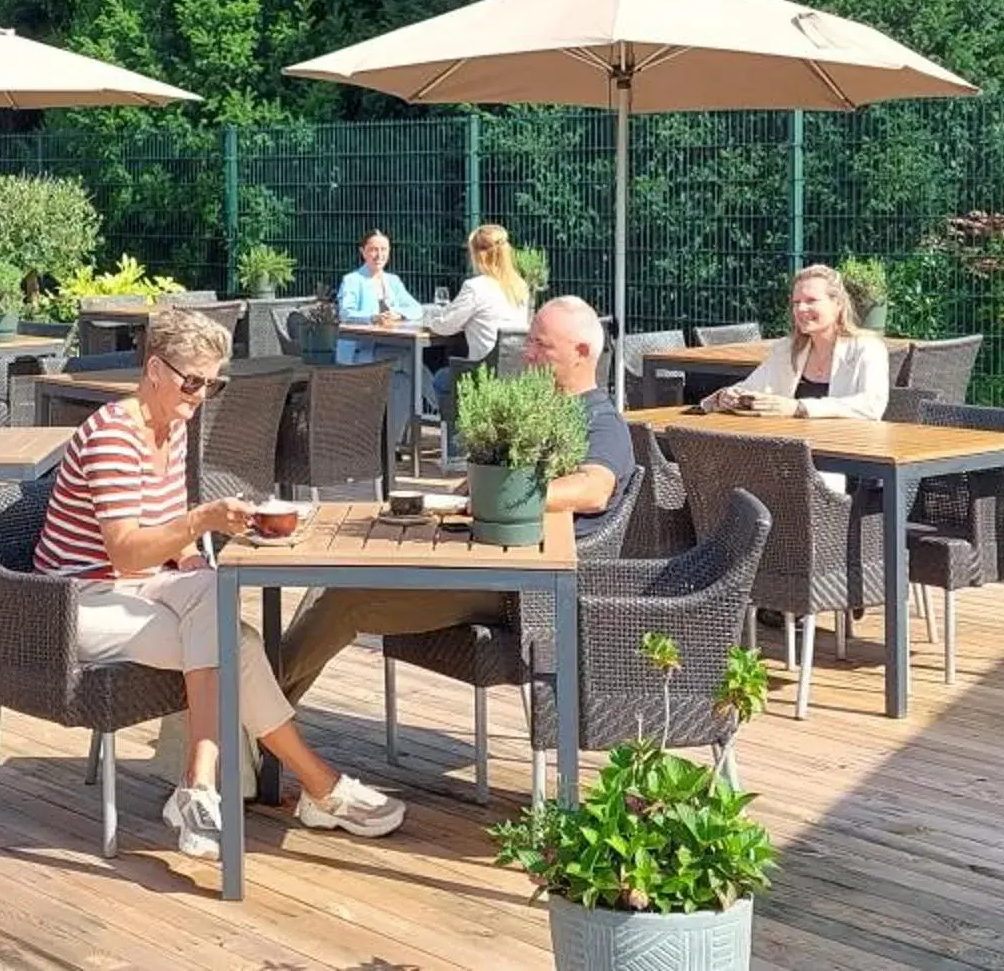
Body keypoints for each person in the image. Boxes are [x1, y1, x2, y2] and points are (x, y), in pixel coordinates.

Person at [35, 307, 408, 862]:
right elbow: (124, 548)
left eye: (213, 383)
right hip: (76, 599)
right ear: (155, 369)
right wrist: (199, 524)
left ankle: (204, 786)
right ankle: (312, 788)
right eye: (193, 381)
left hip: (141, 586)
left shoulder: (174, 423)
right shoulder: (115, 434)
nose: (203, 394)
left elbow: (164, 523)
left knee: (215, 595)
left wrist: (189, 552)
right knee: (237, 641)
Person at [273, 296, 637, 703]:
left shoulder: (601, 421)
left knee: (345, 598)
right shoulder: (533, 413)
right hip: (476, 558)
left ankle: (248, 709)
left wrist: (500, 495)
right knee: (333, 580)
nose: (528, 354)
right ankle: (260, 725)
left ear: (583, 352)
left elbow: (593, 490)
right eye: (530, 342)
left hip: (522, 587)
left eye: (542, 346)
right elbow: (474, 486)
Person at [699, 263, 890, 421]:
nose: (801, 309)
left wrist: (800, 407)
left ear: (838, 304)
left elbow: (871, 405)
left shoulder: (867, 349)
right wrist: (727, 397)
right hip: (790, 454)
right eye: (796, 303)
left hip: (849, 455)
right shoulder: (787, 349)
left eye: (811, 300)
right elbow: (752, 388)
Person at [424, 224, 532, 399]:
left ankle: (454, 426)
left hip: (484, 372)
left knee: (441, 379)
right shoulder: (520, 286)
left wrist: (428, 320)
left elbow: (446, 325)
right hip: (514, 372)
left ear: (478, 255)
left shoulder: (476, 287)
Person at [329, 230, 422, 366]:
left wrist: (399, 314)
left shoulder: (393, 281)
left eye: (384, 249)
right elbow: (345, 314)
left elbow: (417, 309)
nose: (379, 255)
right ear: (363, 252)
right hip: (360, 351)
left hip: (391, 344)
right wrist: (373, 318)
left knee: (414, 360)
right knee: (410, 360)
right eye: (373, 250)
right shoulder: (352, 280)